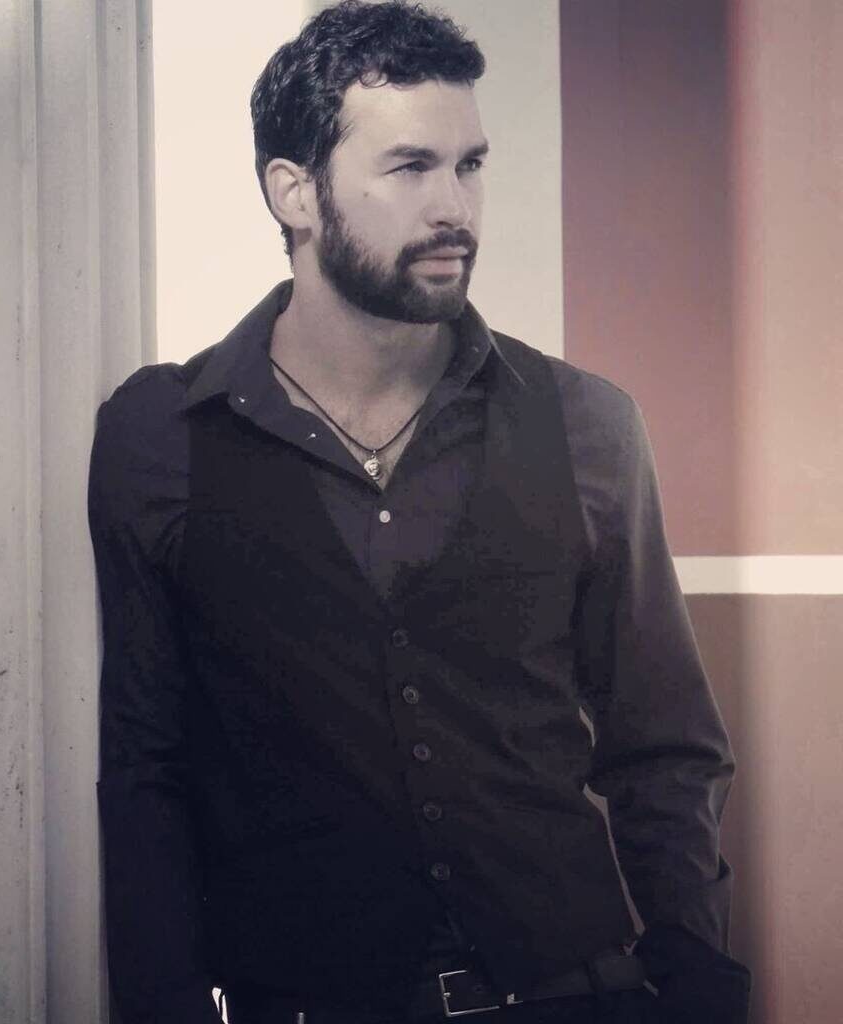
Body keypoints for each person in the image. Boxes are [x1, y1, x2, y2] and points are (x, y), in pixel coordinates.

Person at [88, 3, 751, 1022]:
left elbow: (664, 746)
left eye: (469, 165)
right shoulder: (161, 436)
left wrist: (698, 985)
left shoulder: (586, 422)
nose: (455, 208)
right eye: (409, 168)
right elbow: (147, 769)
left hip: (577, 996)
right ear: (294, 192)